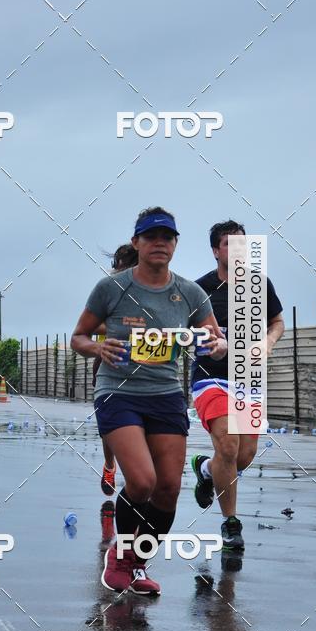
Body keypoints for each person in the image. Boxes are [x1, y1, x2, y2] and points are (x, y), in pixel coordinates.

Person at [71, 207, 226, 596]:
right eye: (151, 236)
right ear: (137, 243)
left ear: (175, 245)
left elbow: (216, 343)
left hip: (165, 395)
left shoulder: (190, 293)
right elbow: (78, 338)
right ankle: (119, 556)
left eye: (167, 237)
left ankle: (138, 563)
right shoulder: (112, 289)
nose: (160, 242)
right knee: (142, 481)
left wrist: (217, 345)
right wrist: (97, 348)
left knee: (169, 488)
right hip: (118, 392)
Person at [190, 220, 284, 552]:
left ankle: (204, 468)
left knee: (243, 456)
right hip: (210, 377)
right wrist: (202, 339)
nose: (239, 250)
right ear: (216, 251)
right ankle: (231, 524)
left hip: (247, 379)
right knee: (228, 447)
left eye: (243, 243)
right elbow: (179, 330)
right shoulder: (198, 290)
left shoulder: (259, 285)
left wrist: (269, 342)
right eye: (230, 244)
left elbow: (277, 322)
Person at [93, 243, 138, 497]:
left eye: (127, 264)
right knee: (108, 425)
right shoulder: (108, 290)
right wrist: (120, 328)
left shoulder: (151, 288)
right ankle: (110, 465)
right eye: (119, 265)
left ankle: (137, 473)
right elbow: (91, 325)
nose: (122, 269)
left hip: (144, 366)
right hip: (108, 361)